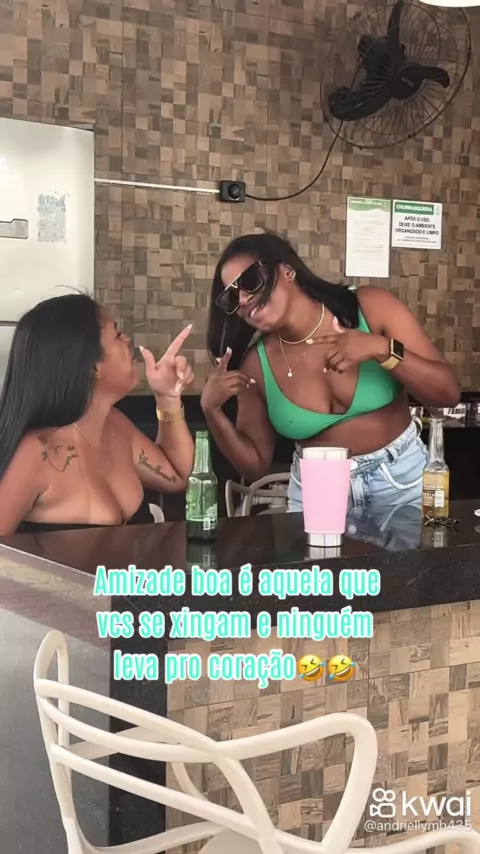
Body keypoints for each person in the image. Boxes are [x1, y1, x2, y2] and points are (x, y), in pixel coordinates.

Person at [201, 233, 460, 512]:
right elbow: (255, 465)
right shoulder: (256, 365)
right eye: (231, 297)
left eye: (250, 281)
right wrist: (211, 410)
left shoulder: (370, 307)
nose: (242, 300)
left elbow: (447, 394)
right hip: (317, 494)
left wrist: (383, 349)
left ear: (286, 270)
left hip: (403, 483)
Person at [0, 293, 195, 534]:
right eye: (117, 334)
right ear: (93, 367)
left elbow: (179, 476)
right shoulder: (36, 453)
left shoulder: (116, 426)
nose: (127, 339)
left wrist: (168, 398)